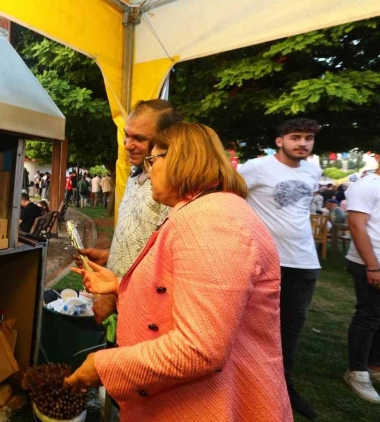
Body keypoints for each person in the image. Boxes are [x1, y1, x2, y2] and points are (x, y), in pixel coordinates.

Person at [66, 123, 291, 421]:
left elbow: (199, 348)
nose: (148, 172)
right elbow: (178, 290)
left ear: (180, 159)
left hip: (210, 405)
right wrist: (121, 285)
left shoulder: (211, 219)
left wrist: (104, 365)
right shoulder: (205, 210)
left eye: (152, 160)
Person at [238, 118, 322, 419]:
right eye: (295, 137)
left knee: (291, 327)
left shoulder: (314, 170)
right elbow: (231, 197)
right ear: (280, 141)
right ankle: (245, 383)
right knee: (252, 323)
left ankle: (283, 386)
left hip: (304, 261)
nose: (302, 143)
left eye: (308, 138)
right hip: (264, 260)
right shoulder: (255, 168)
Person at [77, 99, 182, 325]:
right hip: (120, 303)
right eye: (127, 135)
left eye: (139, 138)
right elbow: (143, 239)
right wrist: (110, 256)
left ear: (166, 140)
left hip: (146, 314)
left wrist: (117, 289)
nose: (127, 144)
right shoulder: (137, 175)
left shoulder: (172, 189)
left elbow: (166, 265)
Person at [344, 150, 380, 403]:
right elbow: (357, 226)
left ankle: (375, 366)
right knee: (368, 316)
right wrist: (373, 266)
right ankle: (357, 371)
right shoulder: (366, 186)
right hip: (370, 261)